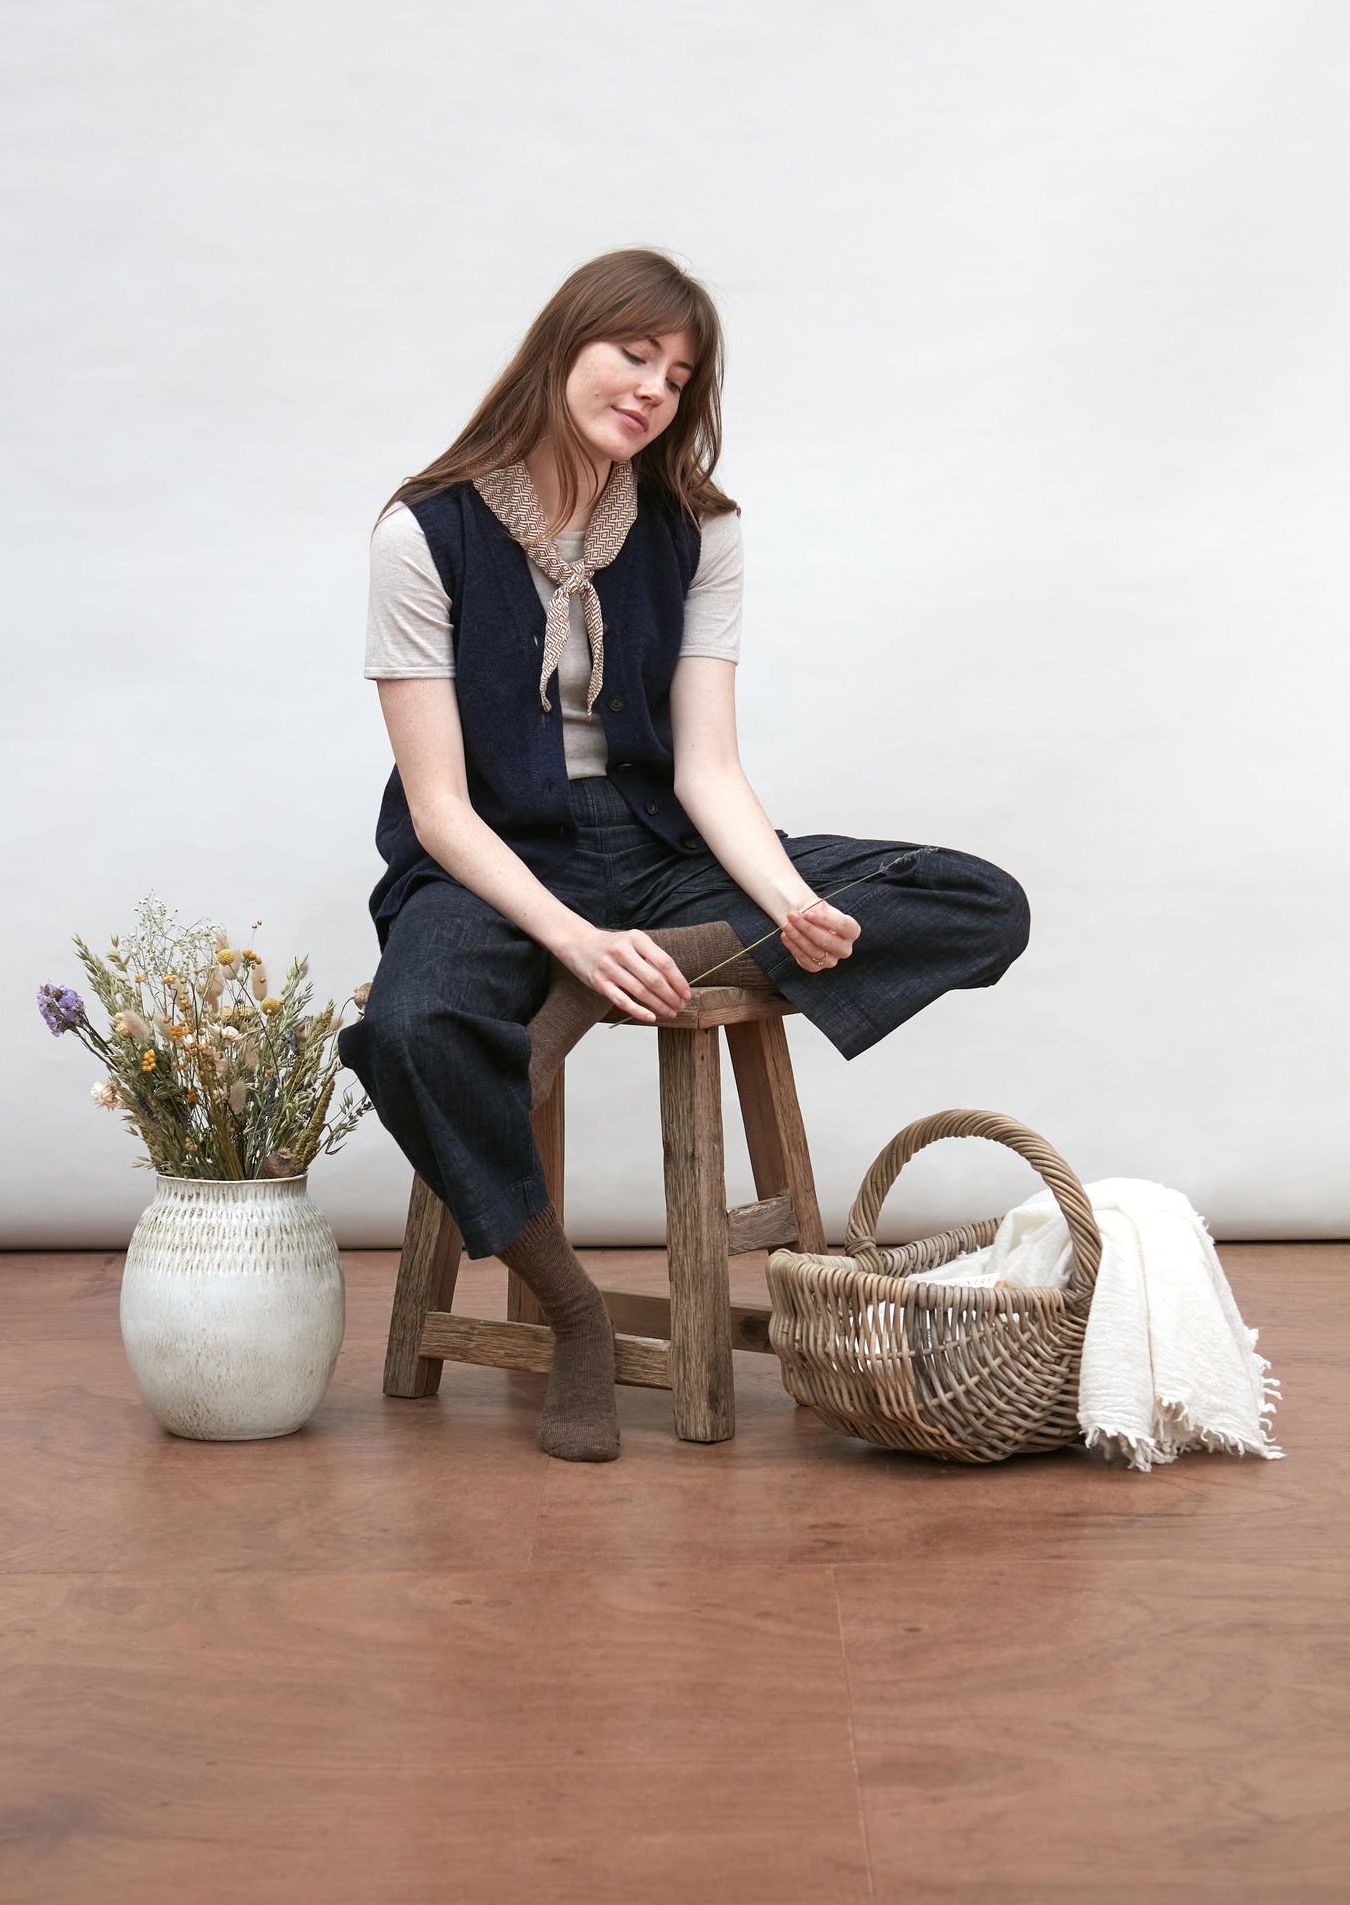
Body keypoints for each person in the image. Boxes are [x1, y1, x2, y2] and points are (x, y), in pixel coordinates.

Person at [339, 247, 1030, 1465]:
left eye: (678, 373)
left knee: (976, 897)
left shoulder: (696, 529)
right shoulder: (423, 533)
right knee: (409, 1027)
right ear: (564, 345)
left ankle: (675, 946)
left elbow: (706, 767)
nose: (654, 388)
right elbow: (440, 809)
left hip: (653, 853)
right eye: (632, 354)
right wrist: (569, 938)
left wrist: (781, 900)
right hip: (488, 864)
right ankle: (572, 1309)